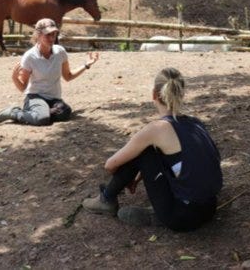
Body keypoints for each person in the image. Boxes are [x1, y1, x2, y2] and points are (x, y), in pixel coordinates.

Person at [82, 68, 223, 231]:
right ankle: (162, 208)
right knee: (153, 151)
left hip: (182, 218)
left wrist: (128, 177)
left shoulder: (156, 129)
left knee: (142, 151)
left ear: (154, 95)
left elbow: (110, 164)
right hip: (210, 208)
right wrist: (140, 174)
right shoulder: (196, 123)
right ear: (182, 94)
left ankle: (106, 199)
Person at [0, 18, 99, 126]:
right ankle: (14, 113)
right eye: (48, 35)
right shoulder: (30, 56)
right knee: (42, 119)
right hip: (35, 97)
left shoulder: (60, 52)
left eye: (54, 34)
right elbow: (23, 87)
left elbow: (68, 76)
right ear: (38, 35)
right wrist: (14, 78)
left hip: (54, 100)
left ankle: (40, 113)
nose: (52, 38)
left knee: (65, 112)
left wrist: (87, 65)